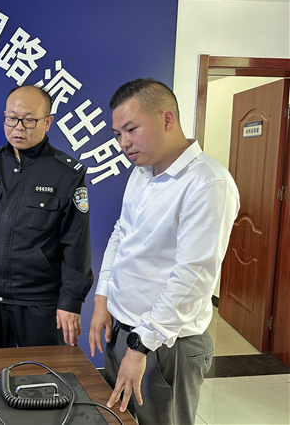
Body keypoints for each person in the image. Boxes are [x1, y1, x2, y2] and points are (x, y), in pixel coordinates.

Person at [89, 78, 240, 424]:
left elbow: (193, 277)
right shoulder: (141, 172)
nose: (123, 144)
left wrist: (141, 346)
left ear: (167, 119)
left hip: (164, 345)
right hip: (123, 331)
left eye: (131, 130)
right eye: (117, 134)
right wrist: (102, 298)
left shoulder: (207, 183)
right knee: (118, 420)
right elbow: (121, 234)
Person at [0, 85, 93, 349]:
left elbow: (76, 244)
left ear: (47, 122)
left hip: (39, 301)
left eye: (29, 120)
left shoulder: (66, 173)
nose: (18, 128)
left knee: (41, 372)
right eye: (11, 118)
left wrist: (70, 301)